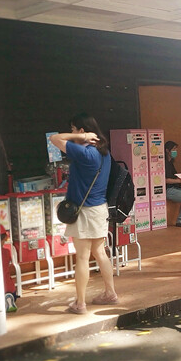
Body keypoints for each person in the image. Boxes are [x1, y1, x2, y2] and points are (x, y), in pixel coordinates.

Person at [49, 112, 118, 314]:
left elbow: (54, 138)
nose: (70, 132)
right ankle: (110, 293)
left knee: (82, 257)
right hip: (99, 209)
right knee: (100, 253)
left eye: (73, 129)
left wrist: (81, 137)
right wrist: (82, 136)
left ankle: (80, 303)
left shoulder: (85, 152)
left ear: (81, 130)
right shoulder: (104, 152)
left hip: (84, 211)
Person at [164, 140, 181, 226]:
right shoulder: (164, 163)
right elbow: (165, 180)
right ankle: (180, 220)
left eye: (176, 150)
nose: (175, 152)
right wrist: (178, 181)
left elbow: (174, 175)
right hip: (168, 190)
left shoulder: (171, 163)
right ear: (167, 150)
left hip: (174, 187)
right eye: (173, 149)